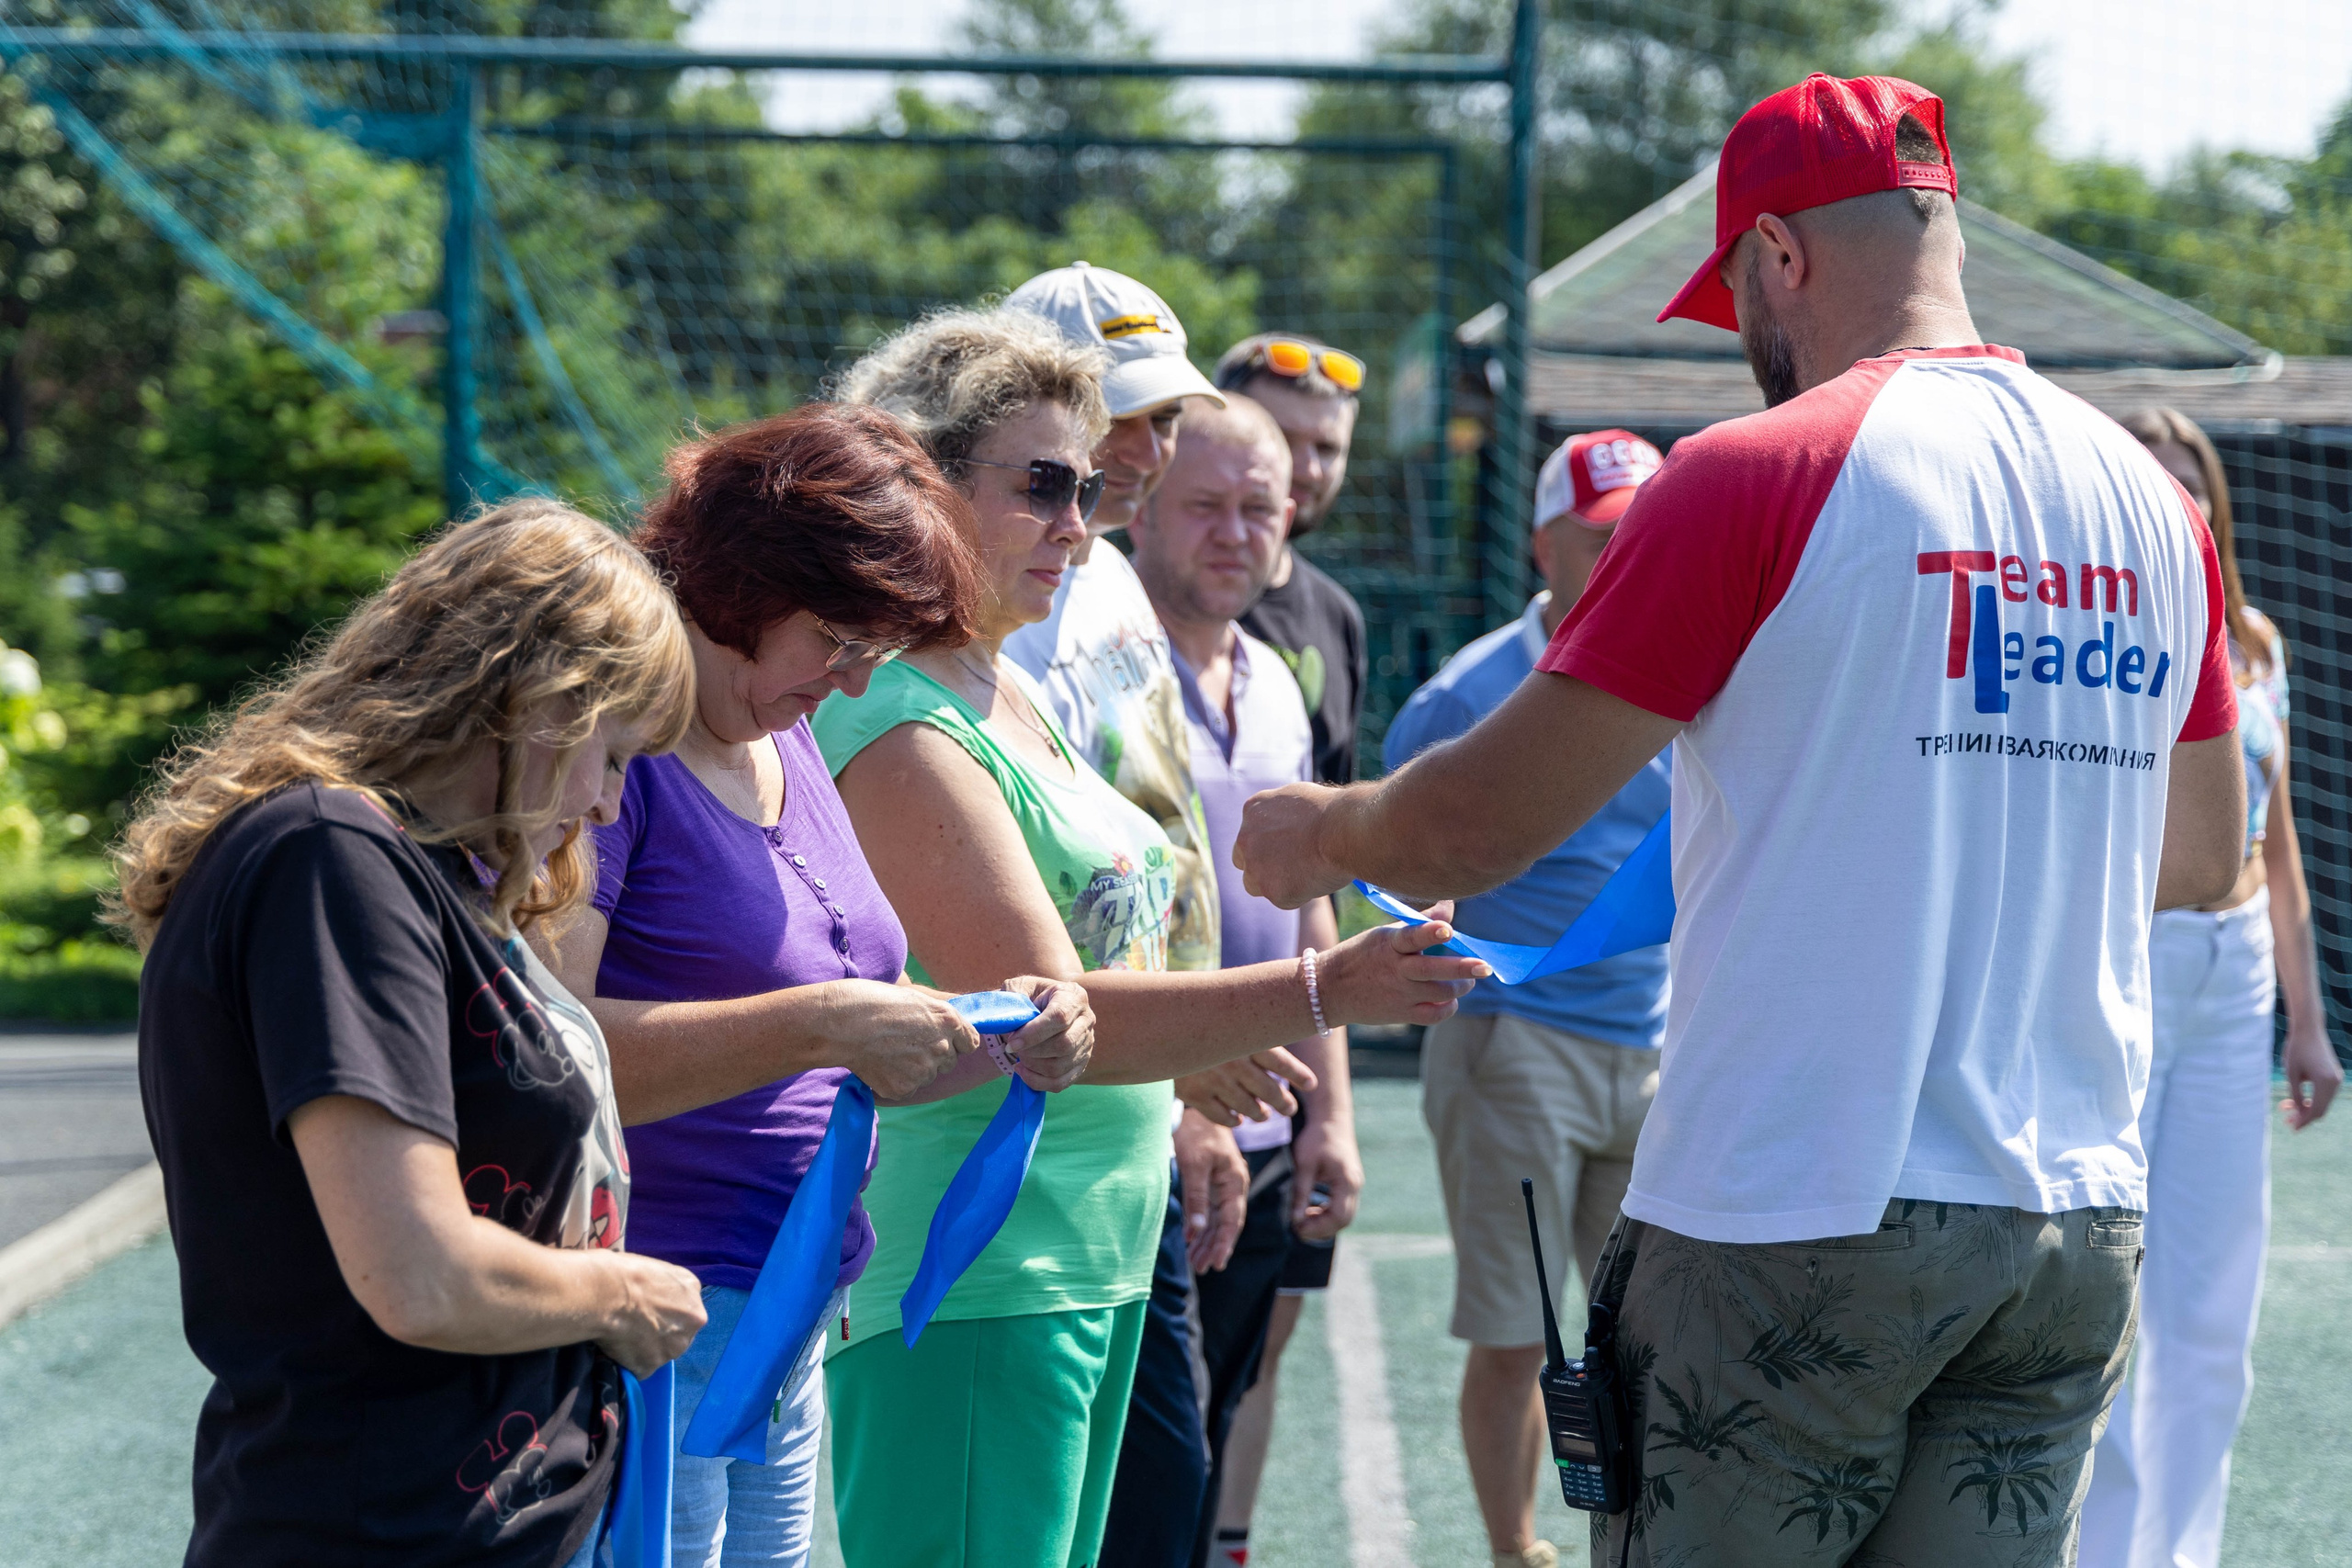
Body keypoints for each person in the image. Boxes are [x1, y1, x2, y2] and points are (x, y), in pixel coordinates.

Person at [1231, 74, 2249, 1566]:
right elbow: (2202, 858)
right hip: (2069, 1218)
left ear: (1780, 254)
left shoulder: (1754, 473)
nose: (1743, 343)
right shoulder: (2156, 509)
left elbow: (1471, 829)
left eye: (1736, 299)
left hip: (1797, 1202)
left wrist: (1311, 833)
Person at [821, 307, 1483, 1567]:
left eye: (1088, 484)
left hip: (1092, 1245)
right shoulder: (901, 716)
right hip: (980, 1267)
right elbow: (1046, 1011)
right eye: (1043, 485)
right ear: (921, 489)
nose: (1080, 520)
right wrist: (1324, 983)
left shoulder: (1002, 677)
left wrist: (1185, 1076)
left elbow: (1098, 957)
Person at [535, 404, 1093, 1568]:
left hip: (786, 1310)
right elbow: (554, 1055)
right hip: (650, 1317)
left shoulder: (778, 736)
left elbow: (834, 1045)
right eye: (836, 639)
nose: (846, 685)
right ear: (744, 580)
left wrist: (1003, 1036)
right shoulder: (610, 752)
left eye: (871, 655)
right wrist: (824, 1024)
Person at [116, 501, 709, 1567]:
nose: (609, 806)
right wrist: (622, 1293)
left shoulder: (400, 865)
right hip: (382, 1527)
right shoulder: (327, 856)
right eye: (612, 755)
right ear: (541, 704)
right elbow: (416, 1275)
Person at [1383, 429, 1669, 1568]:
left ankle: (1630, 1541)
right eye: (1598, 537)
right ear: (1541, 541)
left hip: (1651, 1051)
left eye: (1639, 535)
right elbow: (1389, 871)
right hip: (1516, 1046)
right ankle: (1515, 1553)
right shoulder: (1469, 694)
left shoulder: (1692, 673)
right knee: (1518, 1334)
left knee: (1653, 1343)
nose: (1618, 558)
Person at [1099, 396, 1364, 1568]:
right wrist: (1167, 1098)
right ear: (1144, 508)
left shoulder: (1272, 676)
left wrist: (1334, 1114)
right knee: (1138, 1464)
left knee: (1209, 1434)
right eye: (1203, 505)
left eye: (1259, 508)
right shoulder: (1095, 672)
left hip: (1265, 1125)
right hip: (1141, 1116)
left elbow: (1312, 903)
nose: (1233, 532)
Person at [2079, 408, 2343, 1568]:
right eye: (2148, 477)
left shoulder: (2256, 645)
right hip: (2120, 971)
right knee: (2106, 1305)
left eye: (2189, 479)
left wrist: (2310, 1024)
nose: (2171, 495)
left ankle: (2180, 1556)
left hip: (2235, 983)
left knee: (2212, 1315)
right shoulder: (2090, 631)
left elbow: (2276, 843)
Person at [1205, 332, 1371, 1560]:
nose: (1299, 474)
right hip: (1153, 1073)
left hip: (1276, 1077)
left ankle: (1232, 1536)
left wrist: (1334, 1106)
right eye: (1273, 446)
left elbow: (1324, 879)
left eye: (1322, 453)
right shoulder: (1105, 604)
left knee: (1264, 1335)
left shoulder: (1328, 621)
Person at [1216, 332, 1370, 787]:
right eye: (1282, 438)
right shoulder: (1145, 591)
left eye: (1327, 448)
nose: (1307, 469)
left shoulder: (1338, 616)